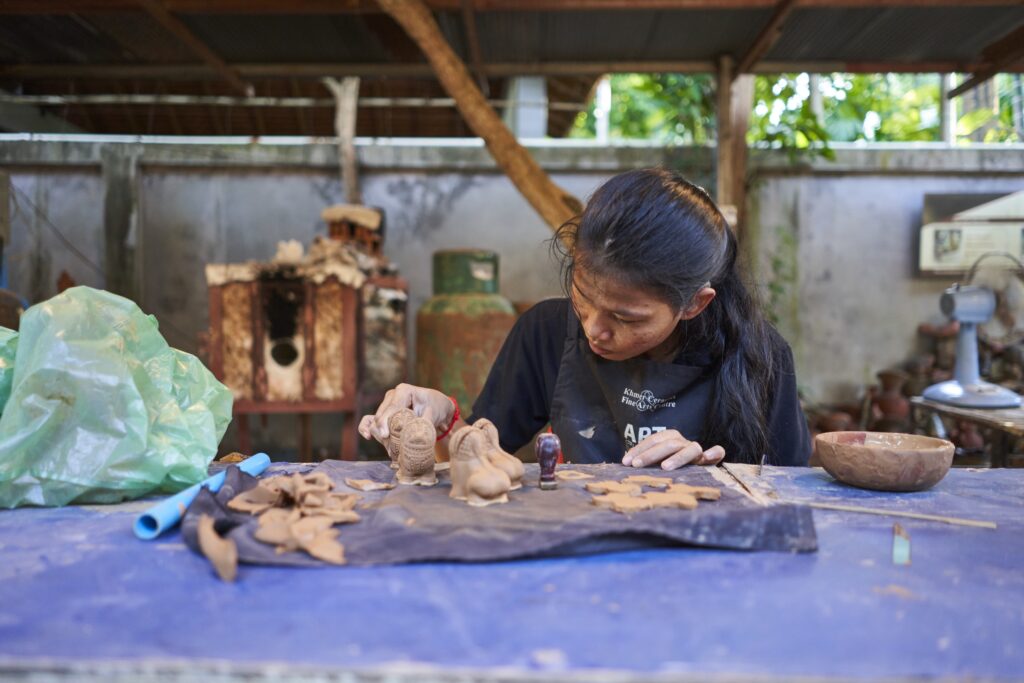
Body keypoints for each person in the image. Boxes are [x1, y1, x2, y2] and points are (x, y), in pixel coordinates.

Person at [359, 168, 811, 469]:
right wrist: (440, 420)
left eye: (625, 317)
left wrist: (711, 480)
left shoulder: (762, 357)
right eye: (582, 296)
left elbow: (789, 499)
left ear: (694, 304)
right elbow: (474, 460)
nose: (595, 329)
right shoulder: (546, 333)